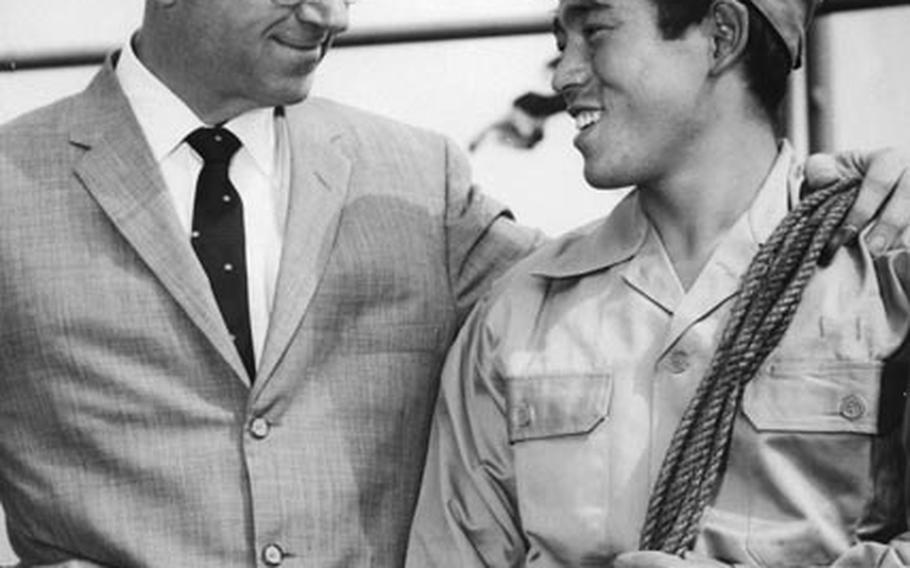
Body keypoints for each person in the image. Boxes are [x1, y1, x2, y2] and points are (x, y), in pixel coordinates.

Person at [0, 0, 905, 567]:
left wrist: (873, 201)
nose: (335, 15)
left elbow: (630, 305)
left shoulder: (420, 183)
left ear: (721, 37)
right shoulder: (10, 186)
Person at [406, 0, 910, 566]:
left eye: (595, 33)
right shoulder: (516, 316)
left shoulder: (886, 277)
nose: (564, 74)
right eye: (560, 44)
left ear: (721, 36)